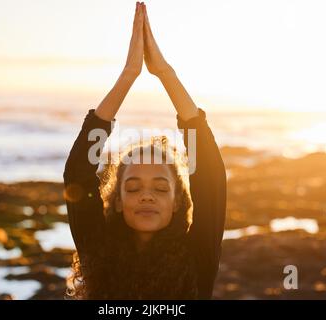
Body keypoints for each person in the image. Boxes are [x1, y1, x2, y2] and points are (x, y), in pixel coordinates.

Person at [63, 2, 227, 299]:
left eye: (162, 189)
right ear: (116, 201)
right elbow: (79, 173)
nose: (146, 195)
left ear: (178, 202)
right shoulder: (97, 250)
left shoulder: (198, 255)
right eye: (134, 186)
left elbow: (211, 176)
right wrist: (128, 74)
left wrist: (165, 72)